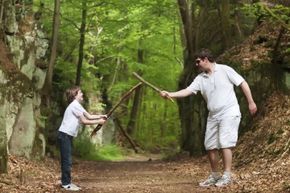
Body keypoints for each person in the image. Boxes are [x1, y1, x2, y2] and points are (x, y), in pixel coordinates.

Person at [160, 49, 257, 187]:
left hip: (229, 112)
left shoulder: (225, 70)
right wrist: (170, 94)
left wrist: (251, 102)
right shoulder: (200, 78)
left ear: (206, 59)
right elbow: (187, 91)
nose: (197, 64)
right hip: (213, 115)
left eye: (198, 61)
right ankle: (215, 175)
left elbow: (242, 83)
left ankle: (227, 175)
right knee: (210, 145)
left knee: (225, 143)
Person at [58, 86, 107, 191]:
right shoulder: (75, 105)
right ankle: (66, 184)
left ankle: (66, 181)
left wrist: (102, 116)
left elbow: (89, 116)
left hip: (67, 135)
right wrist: (99, 122)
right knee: (67, 160)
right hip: (65, 135)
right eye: (80, 93)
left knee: (67, 159)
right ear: (75, 95)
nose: (82, 94)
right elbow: (84, 121)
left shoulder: (77, 105)